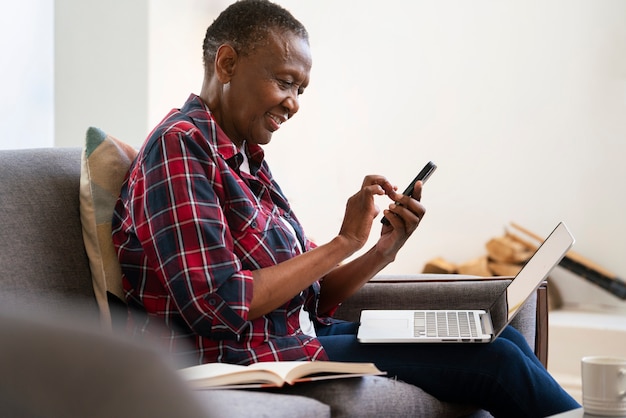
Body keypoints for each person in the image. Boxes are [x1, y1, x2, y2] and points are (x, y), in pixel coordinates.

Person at [112, 1, 580, 416]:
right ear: (228, 62)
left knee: (506, 341)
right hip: (235, 358)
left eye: (301, 89)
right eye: (285, 82)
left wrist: (381, 250)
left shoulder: (247, 159)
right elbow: (217, 303)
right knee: (494, 360)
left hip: (292, 339)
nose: (293, 104)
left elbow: (313, 296)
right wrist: (343, 242)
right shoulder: (182, 146)